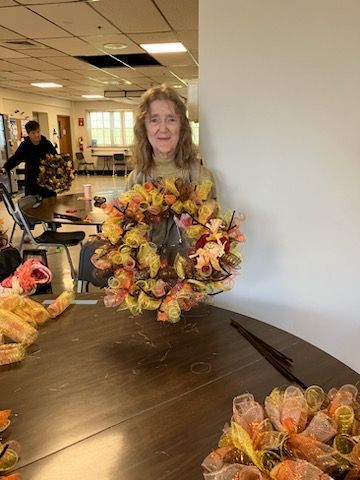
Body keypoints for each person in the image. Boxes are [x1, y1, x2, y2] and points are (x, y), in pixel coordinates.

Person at [127, 84, 216, 261]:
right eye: (154, 120)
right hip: (147, 281)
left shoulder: (201, 177)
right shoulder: (135, 179)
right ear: (144, 127)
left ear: (182, 127)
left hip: (192, 280)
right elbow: (127, 235)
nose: (163, 128)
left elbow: (212, 240)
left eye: (171, 119)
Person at [1, 120, 57, 198]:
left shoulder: (47, 144)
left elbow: (56, 158)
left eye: (38, 132)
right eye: (33, 133)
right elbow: (16, 158)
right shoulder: (25, 145)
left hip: (46, 180)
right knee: (32, 206)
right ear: (28, 134)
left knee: (50, 204)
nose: (37, 135)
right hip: (31, 180)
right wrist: (5, 168)